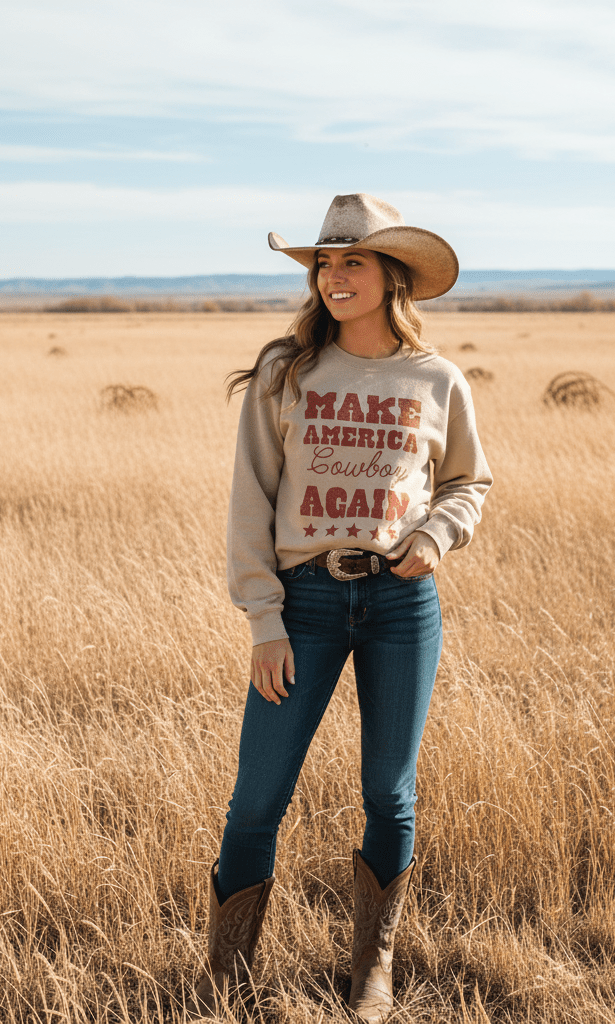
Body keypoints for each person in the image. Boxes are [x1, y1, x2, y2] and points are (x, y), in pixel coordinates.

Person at [192, 194, 492, 1022]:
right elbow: (250, 500)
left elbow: (470, 481)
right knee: (258, 797)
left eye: (352, 261)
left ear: (394, 276)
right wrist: (264, 619)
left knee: (389, 795)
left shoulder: (436, 379)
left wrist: (435, 534)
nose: (334, 276)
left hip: (402, 606)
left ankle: (371, 972)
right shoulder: (287, 370)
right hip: (307, 603)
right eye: (325, 263)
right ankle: (228, 975)